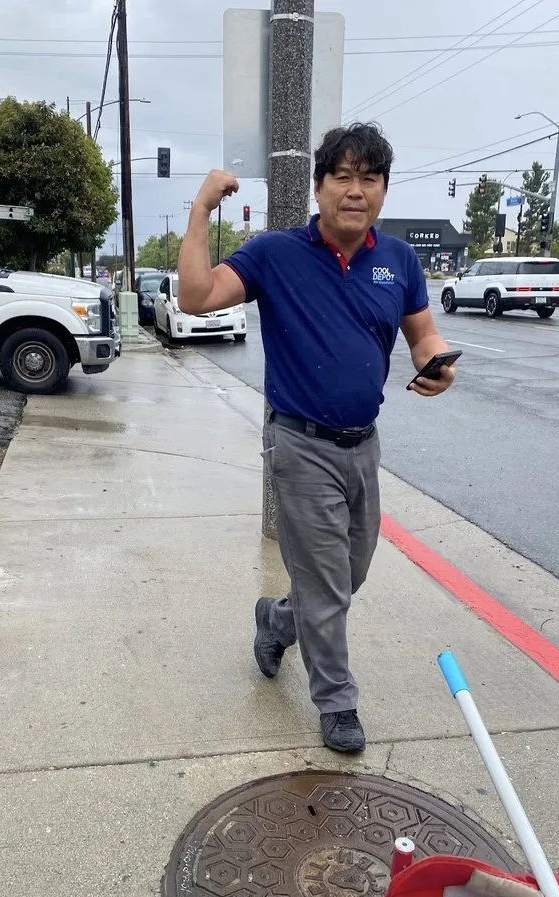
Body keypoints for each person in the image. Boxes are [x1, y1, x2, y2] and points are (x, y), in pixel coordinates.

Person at [177, 122, 457, 753]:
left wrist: (436, 362)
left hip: (365, 444)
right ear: (319, 186)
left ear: (383, 190)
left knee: (347, 574)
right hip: (299, 445)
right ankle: (337, 702)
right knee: (329, 587)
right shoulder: (276, 254)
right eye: (343, 177)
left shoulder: (399, 260)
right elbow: (195, 296)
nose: (355, 191)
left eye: (369, 179)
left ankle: (275, 622)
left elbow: (422, 334)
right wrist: (200, 209)